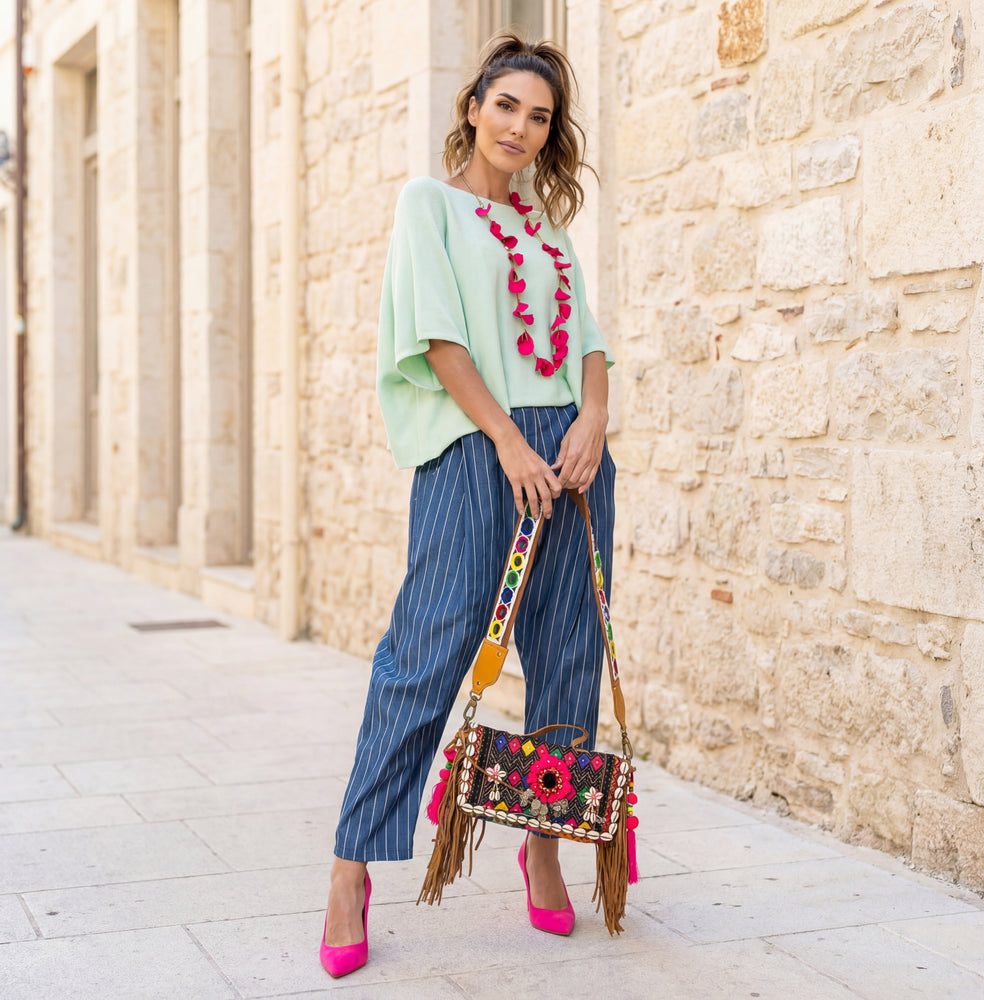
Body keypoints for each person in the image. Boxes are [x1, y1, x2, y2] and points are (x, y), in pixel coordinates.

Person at [320, 29, 616, 979]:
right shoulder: (429, 207)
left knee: (567, 650)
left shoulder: (550, 231)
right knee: (428, 650)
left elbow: (595, 347)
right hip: (474, 448)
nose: (521, 128)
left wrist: (593, 424)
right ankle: (351, 865)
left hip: (568, 454)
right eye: (507, 107)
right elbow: (441, 341)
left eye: (539, 116)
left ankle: (544, 841)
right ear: (473, 108)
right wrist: (507, 439)